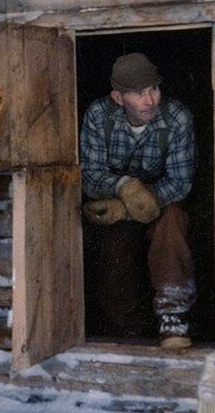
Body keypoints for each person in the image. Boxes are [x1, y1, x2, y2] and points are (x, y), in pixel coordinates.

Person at [80, 52, 198, 349]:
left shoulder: (178, 118)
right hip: (116, 202)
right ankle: (125, 328)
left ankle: (174, 316)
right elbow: (91, 174)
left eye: (154, 89)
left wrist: (137, 204)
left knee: (172, 225)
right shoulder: (98, 116)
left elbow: (180, 182)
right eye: (138, 93)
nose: (150, 100)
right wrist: (125, 188)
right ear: (118, 98)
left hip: (163, 198)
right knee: (113, 246)